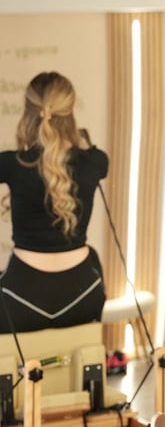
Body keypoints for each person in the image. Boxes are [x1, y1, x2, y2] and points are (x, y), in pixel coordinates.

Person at [0, 71, 108, 334]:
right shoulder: (95, 161)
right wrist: (78, 141)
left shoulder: (11, 163)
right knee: (93, 258)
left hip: (19, 303)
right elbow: (87, 154)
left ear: (29, 112)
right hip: (83, 299)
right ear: (72, 110)